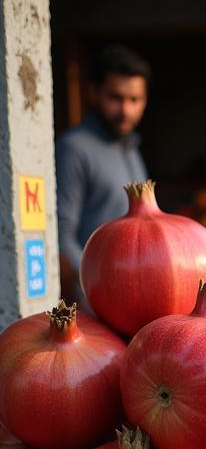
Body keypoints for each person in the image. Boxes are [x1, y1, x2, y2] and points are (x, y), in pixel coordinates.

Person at [56, 44, 150, 302]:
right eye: (116, 98)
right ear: (94, 93)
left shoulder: (131, 148)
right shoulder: (73, 149)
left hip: (134, 298)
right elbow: (62, 237)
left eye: (135, 100)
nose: (126, 111)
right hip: (99, 306)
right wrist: (101, 291)